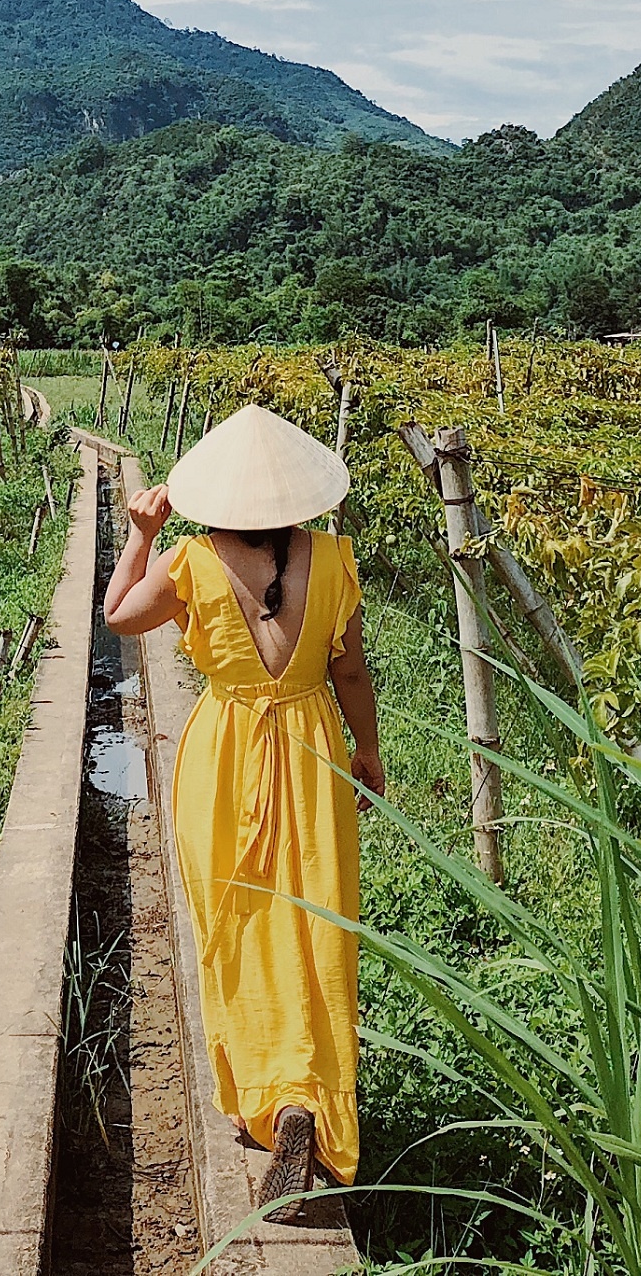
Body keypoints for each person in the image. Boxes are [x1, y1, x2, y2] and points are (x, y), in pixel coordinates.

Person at [102, 403, 386, 1212]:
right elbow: (353, 674)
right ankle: (309, 1098)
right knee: (314, 926)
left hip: (223, 759)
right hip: (312, 753)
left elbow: (119, 615)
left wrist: (140, 533)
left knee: (236, 925)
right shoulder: (334, 559)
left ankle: (266, 1096)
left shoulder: (190, 560)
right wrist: (367, 753)